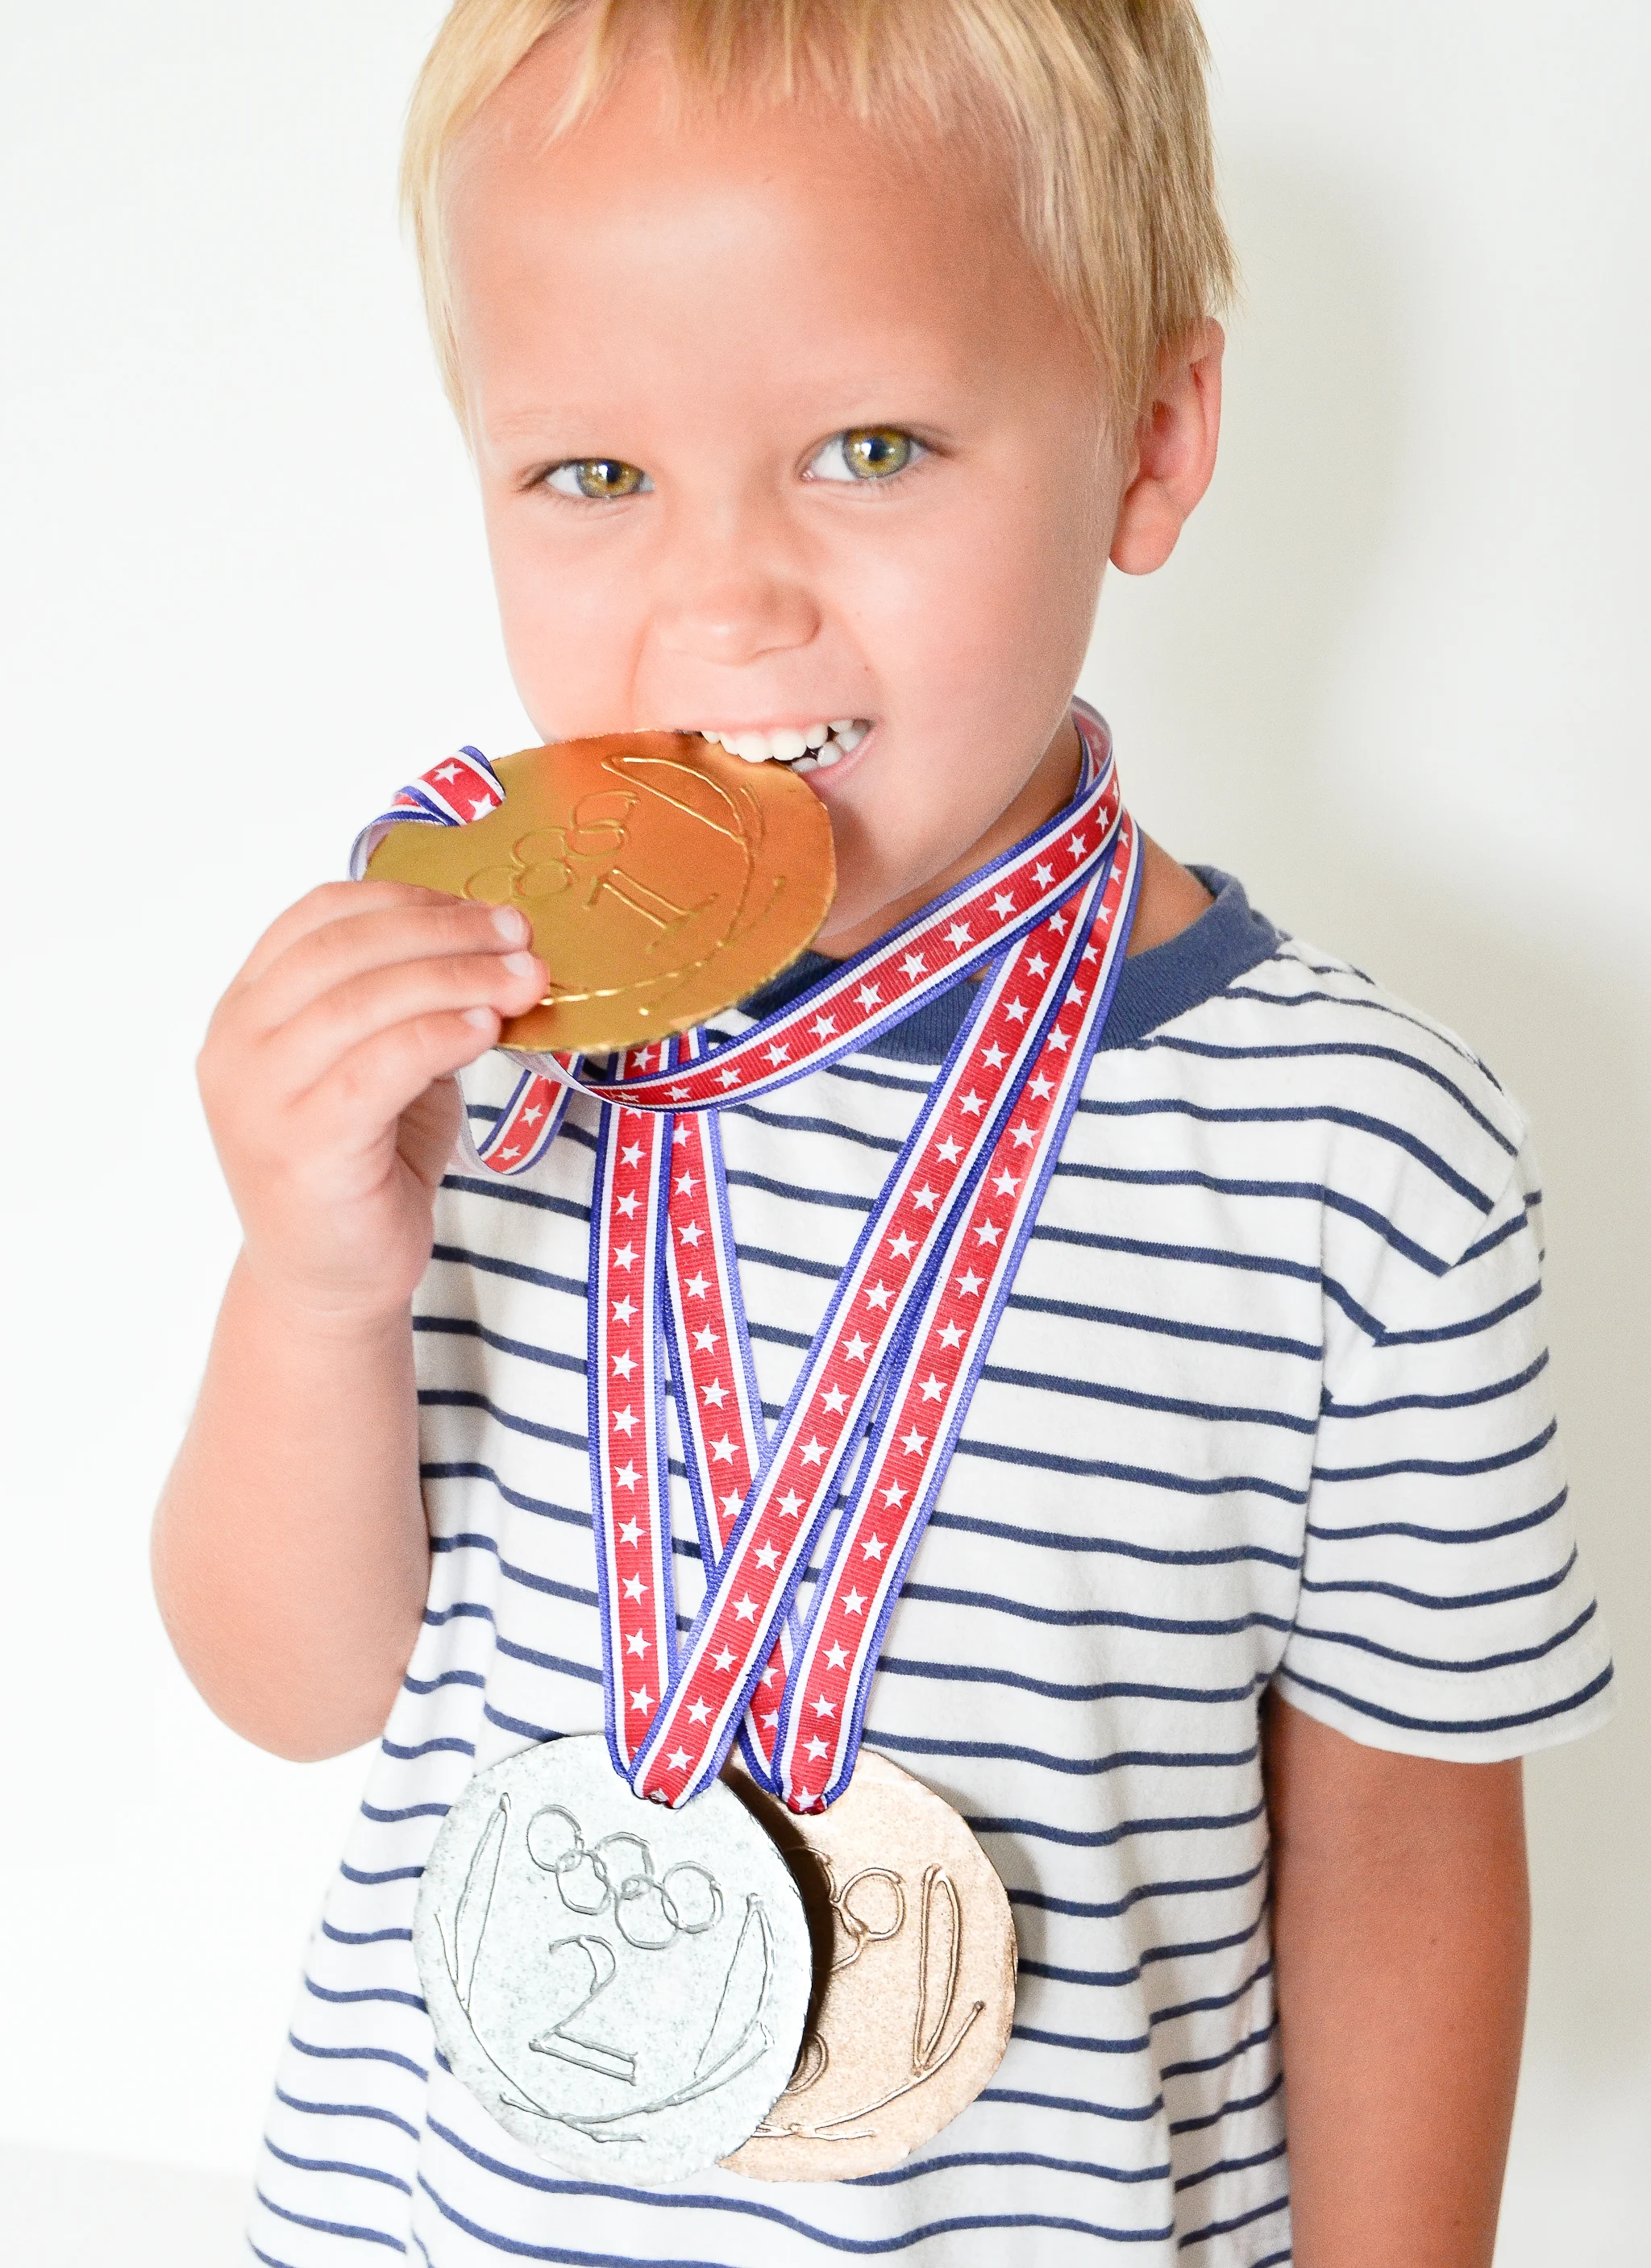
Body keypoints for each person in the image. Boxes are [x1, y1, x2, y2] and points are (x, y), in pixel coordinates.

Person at [152, 2, 1612, 2262]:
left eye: (868, 447)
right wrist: (312, 1278)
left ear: (1148, 437)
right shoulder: (468, 1044)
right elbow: (287, 1680)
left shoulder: (1365, 1158)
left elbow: (1410, 1869)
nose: (722, 599)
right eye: (595, 475)